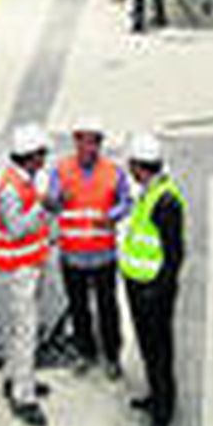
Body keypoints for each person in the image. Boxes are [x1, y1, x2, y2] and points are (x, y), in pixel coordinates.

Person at [47, 117, 130, 380]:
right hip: (72, 256)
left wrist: (113, 214)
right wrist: (57, 199)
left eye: (93, 142)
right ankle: (86, 352)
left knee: (108, 307)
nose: (88, 148)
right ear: (76, 141)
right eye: (83, 141)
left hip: (103, 255)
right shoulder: (60, 171)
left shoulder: (114, 172)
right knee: (78, 307)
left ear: (100, 144)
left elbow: (126, 201)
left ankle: (112, 355)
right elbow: (51, 203)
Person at [118, 133, 187, 426]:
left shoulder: (166, 202)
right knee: (148, 349)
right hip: (139, 287)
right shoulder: (149, 191)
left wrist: (158, 291)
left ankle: (163, 412)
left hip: (153, 293)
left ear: (139, 167)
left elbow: (174, 255)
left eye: (131, 165)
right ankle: (154, 396)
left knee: (159, 352)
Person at [0, 121, 52, 426]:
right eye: (43, 153)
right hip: (20, 270)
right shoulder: (11, 189)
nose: (46, 159)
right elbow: (16, 229)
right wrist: (40, 205)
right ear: (30, 156)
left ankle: (14, 376)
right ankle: (23, 397)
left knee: (20, 326)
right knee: (25, 331)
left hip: (30, 264)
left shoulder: (22, 181)